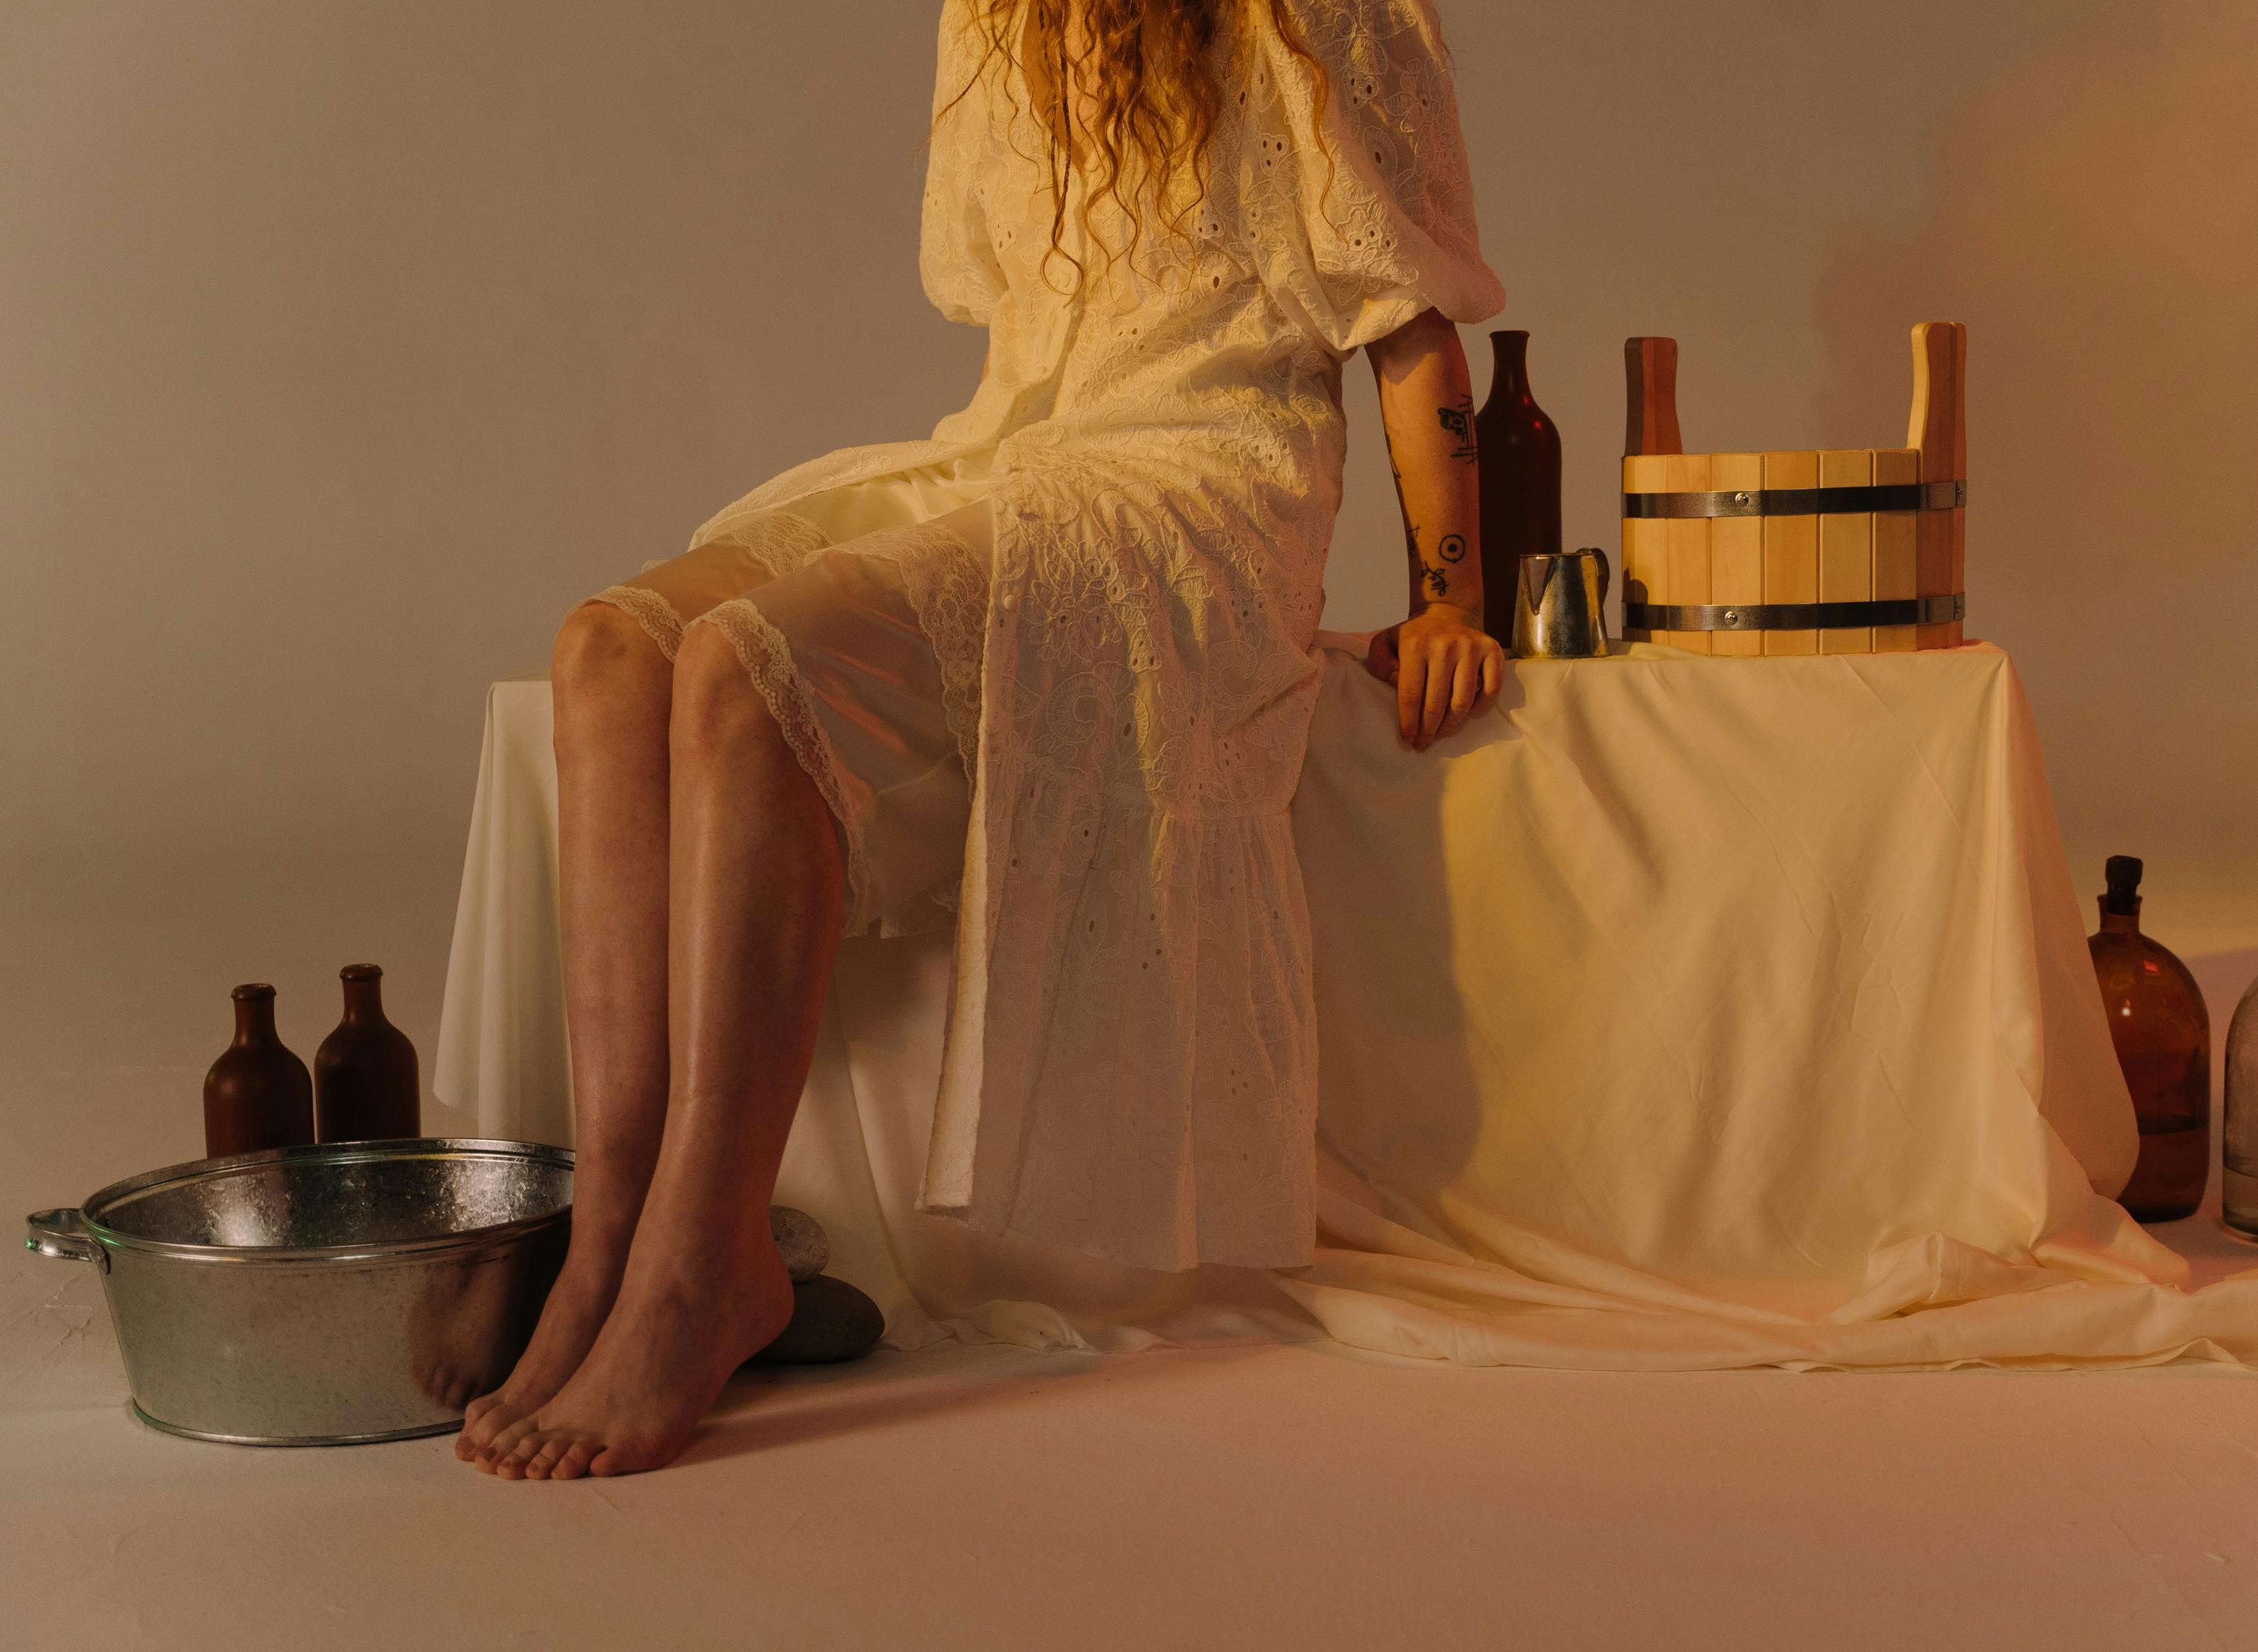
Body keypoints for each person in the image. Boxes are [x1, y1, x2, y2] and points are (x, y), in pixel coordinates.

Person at [459, 0, 1504, 1480]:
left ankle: (707, 1267)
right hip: (1028, 451)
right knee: (610, 652)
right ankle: (616, 1232)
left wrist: (1449, 595)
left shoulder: (1328, 12)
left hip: (1206, 491)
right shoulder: (998, 13)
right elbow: (1002, 304)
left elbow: (1408, 329)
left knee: (753, 677)